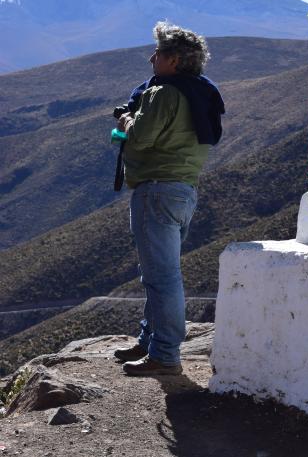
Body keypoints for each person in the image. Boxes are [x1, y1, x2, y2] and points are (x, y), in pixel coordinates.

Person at [113, 21, 224, 376]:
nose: (151, 58)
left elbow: (141, 138)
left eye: (158, 53)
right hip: (183, 190)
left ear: (174, 60)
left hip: (156, 190)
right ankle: (149, 340)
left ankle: (164, 354)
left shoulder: (163, 93)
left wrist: (127, 119)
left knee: (161, 276)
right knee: (159, 273)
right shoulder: (198, 93)